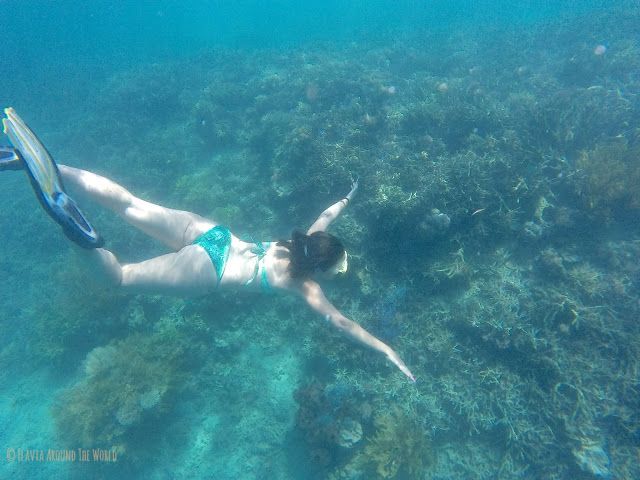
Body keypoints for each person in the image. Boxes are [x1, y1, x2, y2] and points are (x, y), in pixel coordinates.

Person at [1, 107, 415, 382]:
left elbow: (326, 218)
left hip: (214, 235)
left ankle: (44, 166)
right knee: (121, 278)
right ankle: (79, 234)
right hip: (209, 272)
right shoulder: (304, 285)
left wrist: (347, 197)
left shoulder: (300, 241)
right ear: (321, 269)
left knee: (129, 203)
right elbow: (339, 323)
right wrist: (385, 349)